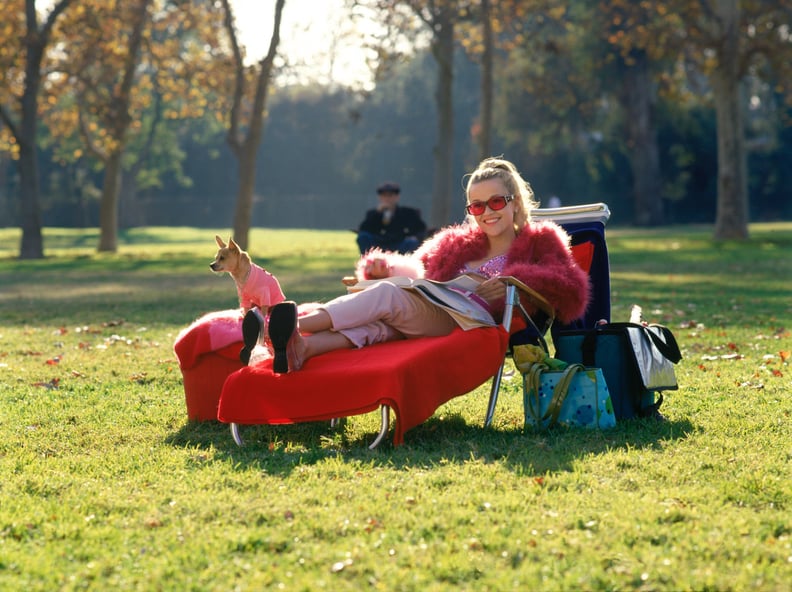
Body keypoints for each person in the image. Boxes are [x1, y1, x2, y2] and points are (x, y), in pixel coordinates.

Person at [242, 157, 591, 374]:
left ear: (516, 202)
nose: (488, 212)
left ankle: (286, 322)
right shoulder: (456, 243)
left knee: (388, 297)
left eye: (496, 201)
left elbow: (570, 286)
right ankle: (300, 348)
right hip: (434, 309)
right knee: (378, 323)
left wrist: (514, 281)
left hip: (473, 322)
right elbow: (417, 270)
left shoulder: (540, 240)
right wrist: (385, 268)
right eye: (477, 206)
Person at [356, 182, 427, 254]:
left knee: (412, 242)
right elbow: (364, 229)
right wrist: (377, 214)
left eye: (390, 195)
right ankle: (370, 262)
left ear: (397, 197)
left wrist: (414, 237)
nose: (387, 199)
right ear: (380, 197)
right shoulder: (372, 213)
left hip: (399, 243)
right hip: (378, 243)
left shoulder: (408, 213)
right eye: (384, 195)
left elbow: (421, 229)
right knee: (363, 237)